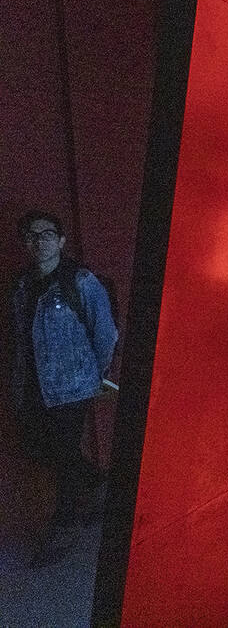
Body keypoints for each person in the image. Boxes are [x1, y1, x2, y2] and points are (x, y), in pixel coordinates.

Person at [10, 210, 118, 565]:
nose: (38, 242)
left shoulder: (80, 281)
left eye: (46, 235)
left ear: (60, 241)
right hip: (34, 387)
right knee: (47, 449)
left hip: (72, 388)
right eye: (31, 236)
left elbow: (105, 333)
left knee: (65, 453)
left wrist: (92, 374)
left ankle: (64, 526)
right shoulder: (21, 287)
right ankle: (99, 484)